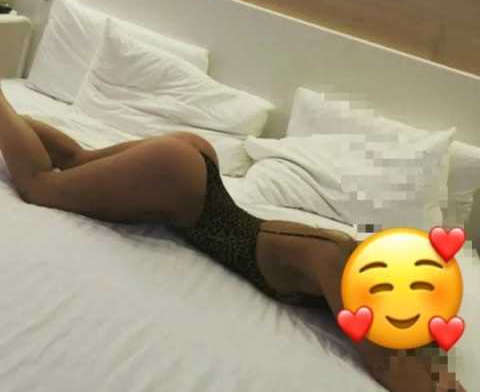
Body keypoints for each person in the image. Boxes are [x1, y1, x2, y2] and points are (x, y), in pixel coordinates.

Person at [0, 85, 463, 392]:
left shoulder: (352, 259)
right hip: (179, 185)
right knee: (41, 186)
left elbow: (415, 343)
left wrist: (436, 360)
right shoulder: (340, 268)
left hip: (191, 168)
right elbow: (386, 365)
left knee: (77, 159)